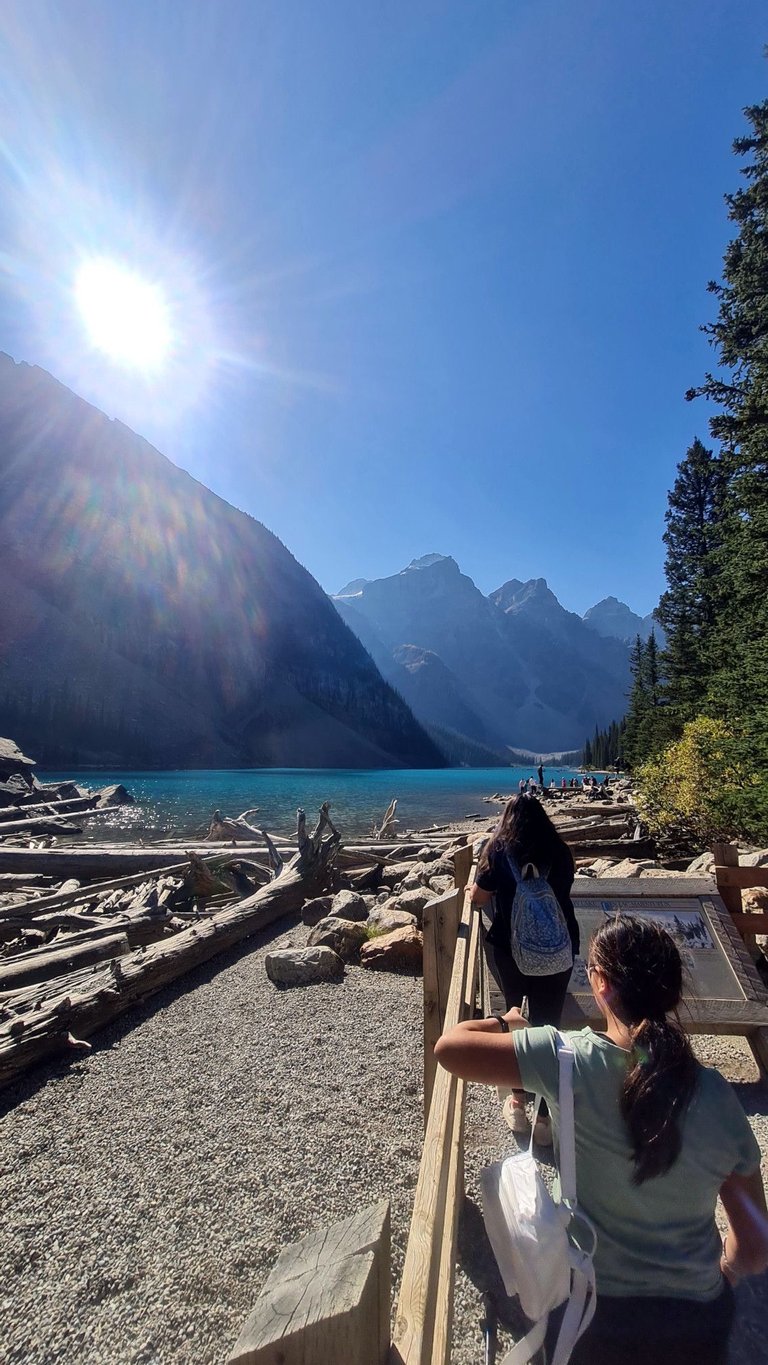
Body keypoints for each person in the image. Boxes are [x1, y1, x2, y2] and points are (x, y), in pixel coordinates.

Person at [435, 915, 768, 1365]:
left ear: (600, 982)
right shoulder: (717, 1096)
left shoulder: (565, 1059)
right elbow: (754, 1247)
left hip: (592, 1310)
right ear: (673, 990)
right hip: (697, 1324)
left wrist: (505, 1019)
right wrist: (721, 1274)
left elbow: (449, 1049)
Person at [471, 794, 577, 1144]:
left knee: (516, 1021)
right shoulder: (559, 851)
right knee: (551, 1027)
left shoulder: (499, 851)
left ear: (507, 819)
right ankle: (546, 1118)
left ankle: (517, 1101)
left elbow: (478, 898)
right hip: (559, 952)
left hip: (510, 951)